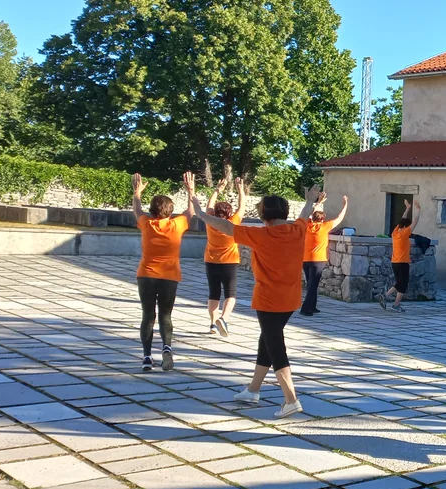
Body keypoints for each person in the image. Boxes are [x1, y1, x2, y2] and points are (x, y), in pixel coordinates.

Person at [187, 172, 321, 419]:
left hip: (269, 300)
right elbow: (304, 216)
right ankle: (253, 390)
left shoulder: (261, 235)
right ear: (283, 212)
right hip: (291, 300)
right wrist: (311, 200)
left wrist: (201, 213)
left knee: (275, 347)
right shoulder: (297, 230)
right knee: (267, 341)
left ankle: (291, 400)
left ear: (263, 215)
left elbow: (227, 227)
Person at [132, 173, 193, 372]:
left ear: (152, 211)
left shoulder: (146, 224)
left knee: (148, 316)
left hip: (146, 275)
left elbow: (137, 209)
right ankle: (166, 347)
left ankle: (147, 357)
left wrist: (137, 192)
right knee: (165, 315)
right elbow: (191, 211)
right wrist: (190, 190)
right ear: (170, 211)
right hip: (169, 277)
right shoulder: (177, 225)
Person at [204, 176, 246, 337]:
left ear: (215, 212)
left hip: (211, 261)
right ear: (229, 213)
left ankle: (213, 325)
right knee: (231, 293)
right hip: (229, 262)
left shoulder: (210, 221)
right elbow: (242, 207)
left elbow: (208, 206)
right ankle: (224, 318)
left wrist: (217, 190)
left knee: (213, 293)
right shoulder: (233, 222)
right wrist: (240, 189)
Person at [301, 190, 348, 316]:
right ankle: (305, 309)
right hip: (318, 260)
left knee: (310, 283)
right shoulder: (325, 227)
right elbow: (340, 218)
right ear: (322, 219)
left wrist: (317, 203)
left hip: (305, 259)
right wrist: (345, 205)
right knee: (312, 285)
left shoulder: (307, 225)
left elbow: (307, 214)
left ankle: (313, 306)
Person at [380, 198, 419, 313]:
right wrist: (418, 210)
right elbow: (415, 221)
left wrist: (407, 209)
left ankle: (387, 297)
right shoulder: (404, 234)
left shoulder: (395, 232)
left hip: (394, 262)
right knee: (403, 284)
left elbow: (402, 220)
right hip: (402, 263)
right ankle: (395, 304)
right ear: (406, 227)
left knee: (399, 282)